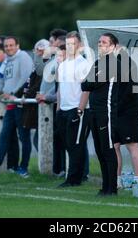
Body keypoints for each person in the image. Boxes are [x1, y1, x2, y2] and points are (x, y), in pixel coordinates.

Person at [0, 36, 33, 177]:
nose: (8, 48)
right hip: (10, 105)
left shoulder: (23, 57)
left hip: (21, 105)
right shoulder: (6, 61)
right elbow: (2, 83)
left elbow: (26, 79)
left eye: (11, 45)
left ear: (17, 45)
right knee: (4, 136)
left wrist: (14, 94)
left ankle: (23, 168)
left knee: (24, 138)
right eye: (6, 46)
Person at [82, 33, 120, 196]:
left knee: (108, 149)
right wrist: (90, 81)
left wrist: (90, 81)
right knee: (99, 149)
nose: (100, 44)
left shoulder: (114, 63)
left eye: (104, 42)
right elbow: (85, 85)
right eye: (99, 42)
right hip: (94, 111)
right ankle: (105, 186)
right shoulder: (98, 63)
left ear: (113, 46)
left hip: (107, 112)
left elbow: (91, 83)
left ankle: (112, 188)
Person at [56, 31, 91, 187]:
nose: (70, 47)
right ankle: (76, 176)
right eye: (68, 44)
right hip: (63, 110)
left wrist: (80, 110)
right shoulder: (62, 64)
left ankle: (74, 179)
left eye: (73, 44)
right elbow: (60, 88)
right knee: (68, 144)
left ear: (80, 45)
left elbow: (86, 89)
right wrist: (58, 109)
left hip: (77, 109)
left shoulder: (84, 64)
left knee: (75, 144)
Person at [38, 28, 67, 176]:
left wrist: (47, 97)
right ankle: (59, 169)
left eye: (51, 42)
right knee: (58, 139)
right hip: (58, 106)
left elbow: (61, 89)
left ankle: (64, 170)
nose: (50, 45)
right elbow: (55, 87)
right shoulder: (55, 61)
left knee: (66, 141)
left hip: (66, 107)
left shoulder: (65, 63)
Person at [114, 46, 138, 188]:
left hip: (128, 111)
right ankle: (116, 180)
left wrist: (116, 106)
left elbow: (130, 91)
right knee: (114, 145)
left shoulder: (125, 62)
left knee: (132, 145)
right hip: (116, 110)